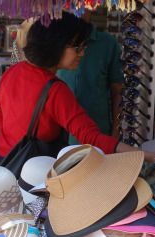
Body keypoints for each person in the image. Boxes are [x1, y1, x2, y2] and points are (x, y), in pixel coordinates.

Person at [0, 13, 155, 162]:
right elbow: (91, 137)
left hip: (5, 163)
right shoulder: (55, 90)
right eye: (78, 47)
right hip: (34, 172)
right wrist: (153, 157)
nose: (82, 53)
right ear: (56, 45)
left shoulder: (12, 72)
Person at [57, 10, 123, 143]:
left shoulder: (108, 44)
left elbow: (117, 91)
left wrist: (115, 135)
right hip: (56, 136)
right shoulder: (53, 41)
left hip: (97, 136)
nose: (75, 8)